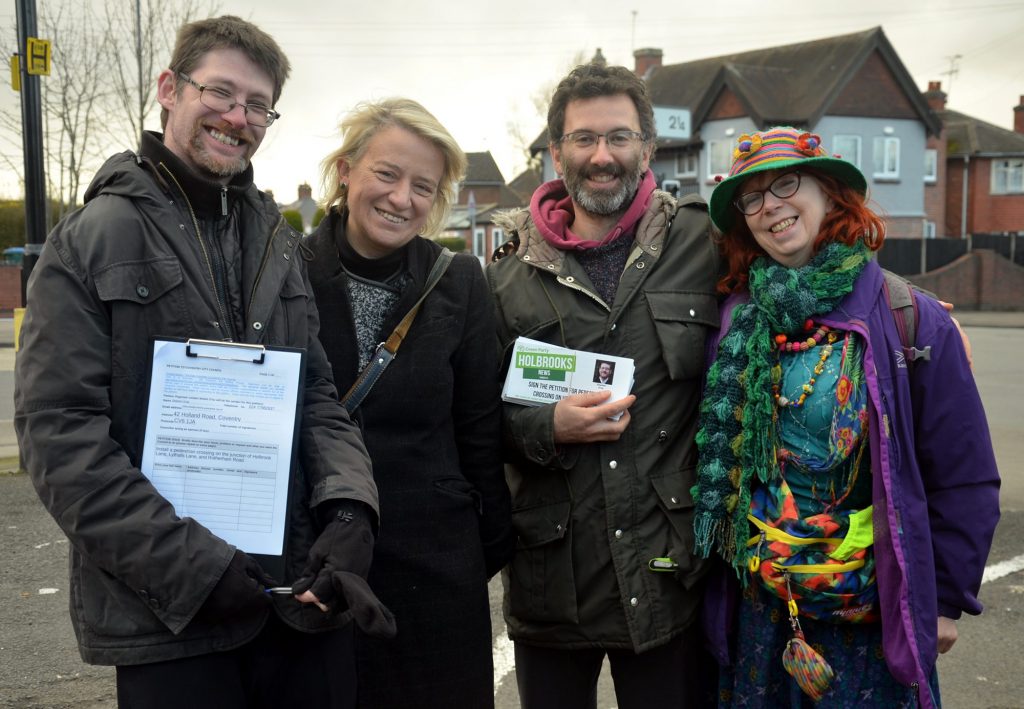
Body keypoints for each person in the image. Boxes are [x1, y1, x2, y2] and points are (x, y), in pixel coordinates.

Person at [14, 16, 393, 709]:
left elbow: (315, 395)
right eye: (220, 92)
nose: (237, 116)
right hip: (173, 621)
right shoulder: (91, 240)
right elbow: (59, 433)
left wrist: (349, 511)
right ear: (169, 88)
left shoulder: (277, 241)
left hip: (298, 601)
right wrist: (189, 566)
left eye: (257, 105)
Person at [693, 127, 1001, 707]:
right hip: (764, 617)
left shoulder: (912, 318)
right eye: (752, 198)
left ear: (831, 194)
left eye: (787, 184)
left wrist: (943, 600)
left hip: (871, 612)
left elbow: (964, 472)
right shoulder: (735, 319)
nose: (771, 207)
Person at [487, 63, 720, 708]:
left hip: (670, 572)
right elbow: (473, 416)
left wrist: (910, 311)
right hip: (553, 582)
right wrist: (545, 426)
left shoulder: (704, 240)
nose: (602, 156)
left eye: (619, 137)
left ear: (648, 146)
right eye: (583, 139)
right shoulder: (504, 277)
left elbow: (804, 271)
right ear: (556, 151)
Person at [305, 97, 514, 708]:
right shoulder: (287, 271)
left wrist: (482, 545)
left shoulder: (458, 281)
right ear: (346, 170)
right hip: (321, 554)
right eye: (387, 174)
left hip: (436, 564)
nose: (402, 198)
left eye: (423, 186)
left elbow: (481, 429)